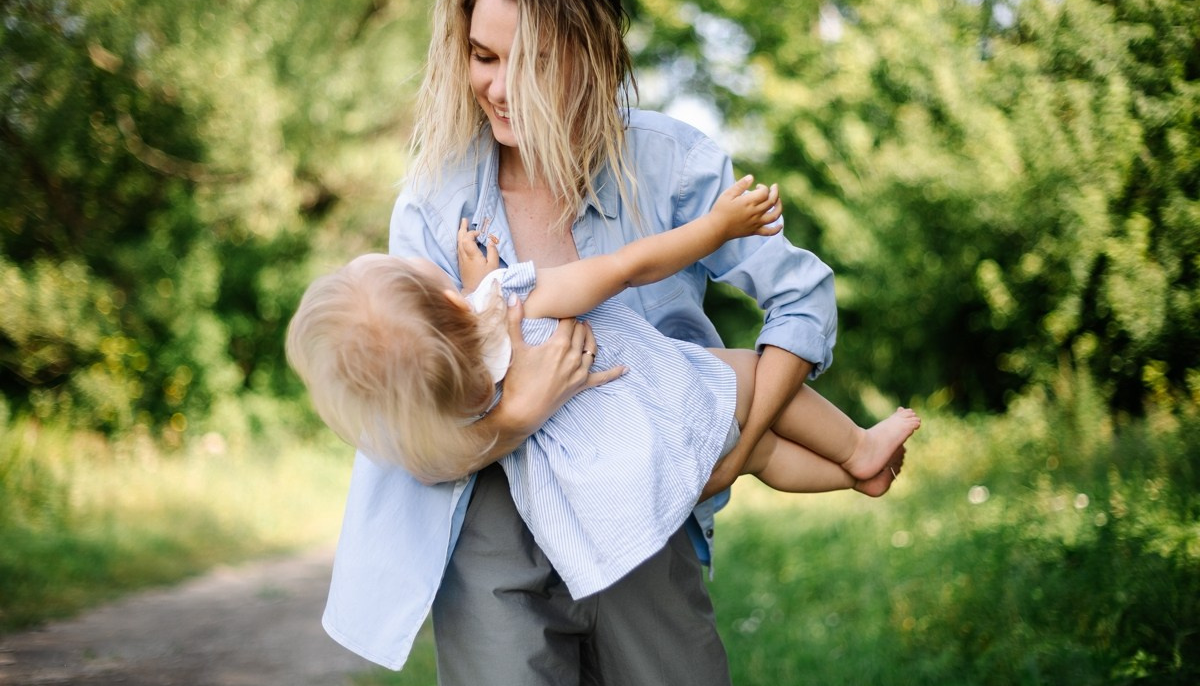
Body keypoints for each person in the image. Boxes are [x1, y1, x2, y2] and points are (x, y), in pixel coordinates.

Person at [318, 0, 874, 686]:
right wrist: (519, 411)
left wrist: (736, 457)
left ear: (597, 53)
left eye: (532, 61)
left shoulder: (673, 166)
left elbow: (803, 300)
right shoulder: (435, 207)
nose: (500, 87)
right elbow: (412, 437)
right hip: (491, 527)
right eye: (482, 56)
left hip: (644, 523)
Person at [287, 176, 918, 597]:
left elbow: (465, 344)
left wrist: (472, 288)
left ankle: (851, 478)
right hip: (656, 404)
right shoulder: (518, 299)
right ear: (445, 296)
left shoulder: (447, 404)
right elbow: (625, 268)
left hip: (617, 481)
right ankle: (857, 448)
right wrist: (718, 227)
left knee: (756, 454)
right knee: (756, 378)